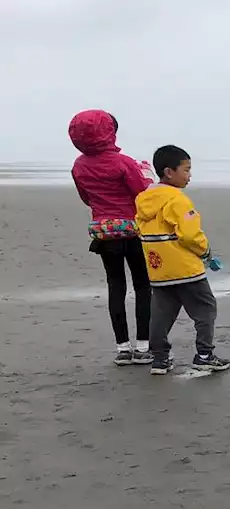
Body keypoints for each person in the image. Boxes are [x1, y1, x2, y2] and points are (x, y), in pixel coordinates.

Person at [69, 109, 155, 366]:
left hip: (104, 232)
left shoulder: (79, 165)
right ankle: (143, 347)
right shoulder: (123, 163)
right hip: (132, 230)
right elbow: (141, 194)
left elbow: (86, 197)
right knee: (142, 285)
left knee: (115, 286)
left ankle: (122, 348)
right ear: (109, 132)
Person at [135, 145, 230, 376]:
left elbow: (139, 228)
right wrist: (206, 252)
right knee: (205, 309)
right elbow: (189, 235)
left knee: (161, 314)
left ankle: (160, 359)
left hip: (158, 268)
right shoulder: (177, 200)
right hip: (185, 269)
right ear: (170, 172)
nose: (189, 176)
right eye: (186, 170)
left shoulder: (143, 199)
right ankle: (204, 356)